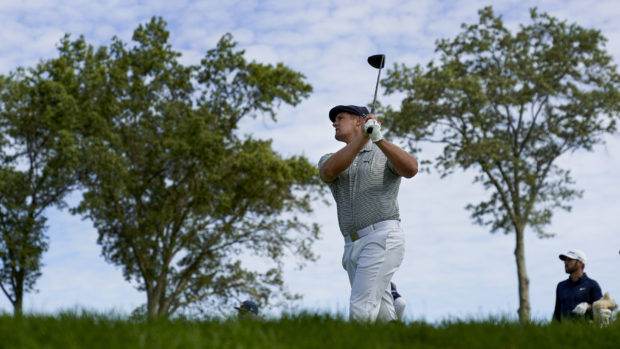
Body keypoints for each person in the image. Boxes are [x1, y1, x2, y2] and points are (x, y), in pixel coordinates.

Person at [319, 105, 418, 322]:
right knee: (383, 318)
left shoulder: (383, 152)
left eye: (339, 118)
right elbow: (329, 172)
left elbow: (411, 169)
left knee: (361, 307)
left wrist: (378, 139)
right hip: (351, 246)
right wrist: (363, 139)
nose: (334, 123)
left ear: (359, 121)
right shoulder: (330, 158)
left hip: (382, 237)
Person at [553, 249, 603, 321]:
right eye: (565, 260)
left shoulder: (592, 284)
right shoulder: (561, 286)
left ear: (580, 262)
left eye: (569, 260)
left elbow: (602, 309)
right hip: (565, 330)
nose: (565, 263)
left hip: (586, 330)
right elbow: (557, 313)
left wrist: (588, 307)